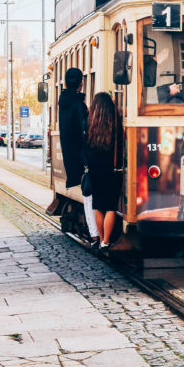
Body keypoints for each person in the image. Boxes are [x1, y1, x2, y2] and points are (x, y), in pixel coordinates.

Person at [58, 67, 99, 242]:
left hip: (71, 157)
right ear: (81, 84)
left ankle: (95, 232)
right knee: (90, 195)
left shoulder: (64, 102)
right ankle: (95, 233)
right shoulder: (78, 105)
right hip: (82, 157)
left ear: (66, 83)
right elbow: (85, 132)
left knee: (87, 194)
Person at [85, 92, 127, 252]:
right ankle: (106, 242)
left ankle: (100, 238)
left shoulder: (88, 124)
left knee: (98, 206)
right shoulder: (115, 124)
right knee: (110, 206)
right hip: (112, 170)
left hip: (95, 171)